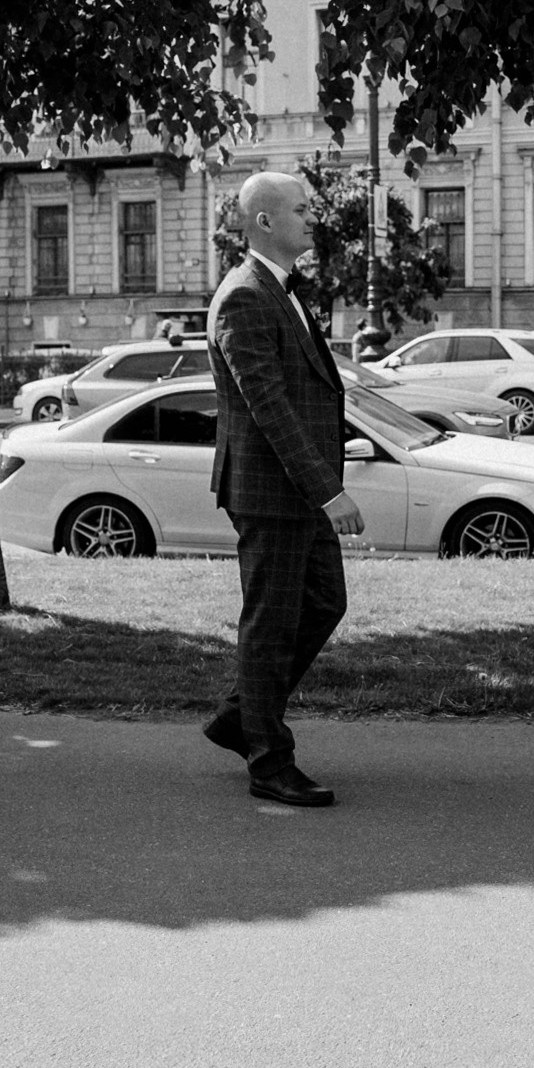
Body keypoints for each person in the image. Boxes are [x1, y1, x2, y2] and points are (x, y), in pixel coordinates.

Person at [201, 171, 366, 807]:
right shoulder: (244, 296)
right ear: (264, 221)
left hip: (296, 490)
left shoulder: (283, 291)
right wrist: (329, 490)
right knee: (270, 625)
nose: (311, 218)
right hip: (272, 492)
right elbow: (267, 405)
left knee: (323, 603)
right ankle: (269, 760)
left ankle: (241, 717)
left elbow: (306, 390)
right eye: (300, 209)